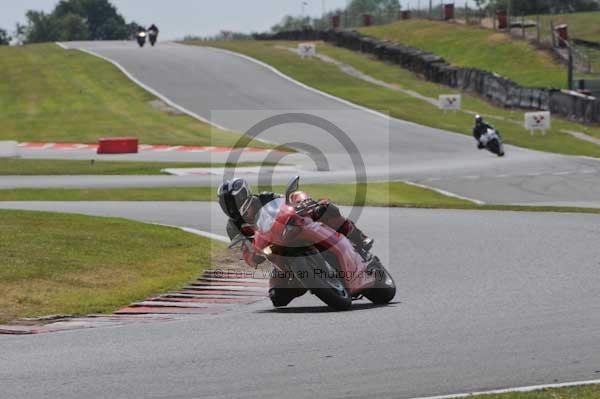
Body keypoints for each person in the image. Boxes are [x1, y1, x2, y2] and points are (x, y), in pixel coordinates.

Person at [218, 178, 374, 306]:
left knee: (326, 208)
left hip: (293, 229)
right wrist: (253, 256)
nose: (231, 207)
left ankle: (359, 239)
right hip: (276, 251)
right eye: (226, 204)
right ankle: (310, 279)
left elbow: (288, 200)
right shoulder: (233, 227)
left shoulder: (265, 198)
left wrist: (304, 202)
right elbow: (244, 250)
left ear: (244, 195)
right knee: (277, 298)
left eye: (233, 201)